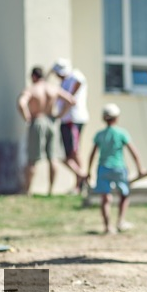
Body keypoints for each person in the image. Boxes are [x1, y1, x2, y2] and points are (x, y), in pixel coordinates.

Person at [86, 103, 144, 234]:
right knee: (124, 194)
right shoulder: (121, 133)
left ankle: (107, 227)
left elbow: (92, 154)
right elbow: (133, 152)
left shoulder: (100, 135)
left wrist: (89, 171)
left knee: (105, 198)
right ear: (117, 118)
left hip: (103, 168)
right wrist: (140, 169)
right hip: (119, 168)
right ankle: (121, 222)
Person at [17, 67, 75, 195]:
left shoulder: (32, 89)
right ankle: (51, 190)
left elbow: (21, 102)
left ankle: (27, 190)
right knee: (53, 157)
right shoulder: (53, 88)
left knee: (32, 158)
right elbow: (71, 100)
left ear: (33, 77)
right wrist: (60, 115)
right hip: (52, 122)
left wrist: (26, 115)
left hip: (38, 120)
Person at [51, 58, 90, 194]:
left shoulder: (76, 77)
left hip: (73, 119)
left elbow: (71, 99)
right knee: (68, 155)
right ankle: (80, 178)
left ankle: (81, 182)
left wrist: (60, 114)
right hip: (66, 120)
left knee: (74, 152)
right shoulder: (64, 81)